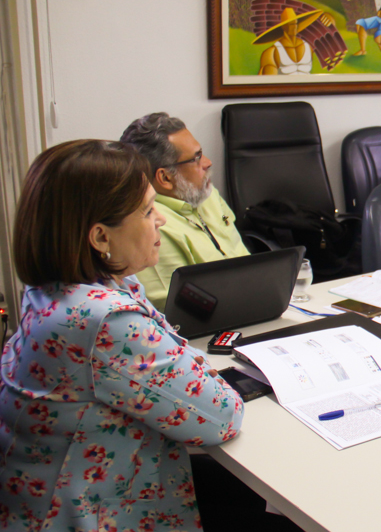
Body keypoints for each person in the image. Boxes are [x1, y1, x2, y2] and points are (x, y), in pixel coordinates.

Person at [0, 140, 243, 531]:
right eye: (148, 211)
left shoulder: (51, 290)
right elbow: (222, 416)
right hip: (91, 516)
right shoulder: (105, 320)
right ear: (100, 238)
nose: (161, 220)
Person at [121, 113, 249, 310]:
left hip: (254, 302)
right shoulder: (151, 223)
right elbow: (174, 308)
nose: (207, 162)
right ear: (165, 177)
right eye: (196, 158)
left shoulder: (204, 192)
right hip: (211, 324)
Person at [254, 6, 333, 75]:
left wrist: (330, 20)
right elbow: (269, 83)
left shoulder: (309, 46)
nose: (294, 27)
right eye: (291, 24)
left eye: (295, 23)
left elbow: (326, 40)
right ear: (283, 26)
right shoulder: (271, 53)